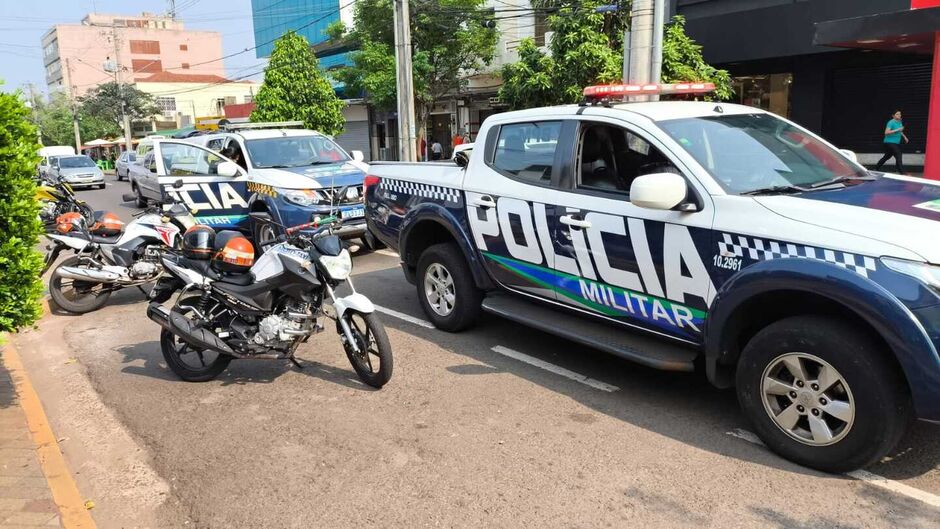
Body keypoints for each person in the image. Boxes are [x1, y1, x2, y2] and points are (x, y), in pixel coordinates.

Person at [875, 110, 909, 174]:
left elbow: (900, 131)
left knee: (887, 156)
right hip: (889, 142)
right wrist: (898, 129)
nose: (899, 115)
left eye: (900, 114)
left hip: (896, 142)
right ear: (893, 116)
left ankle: (876, 168)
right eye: (897, 114)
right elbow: (886, 132)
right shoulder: (891, 122)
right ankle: (902, 172)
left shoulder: (899, 122)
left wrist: (904, 137)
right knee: (898, 154)